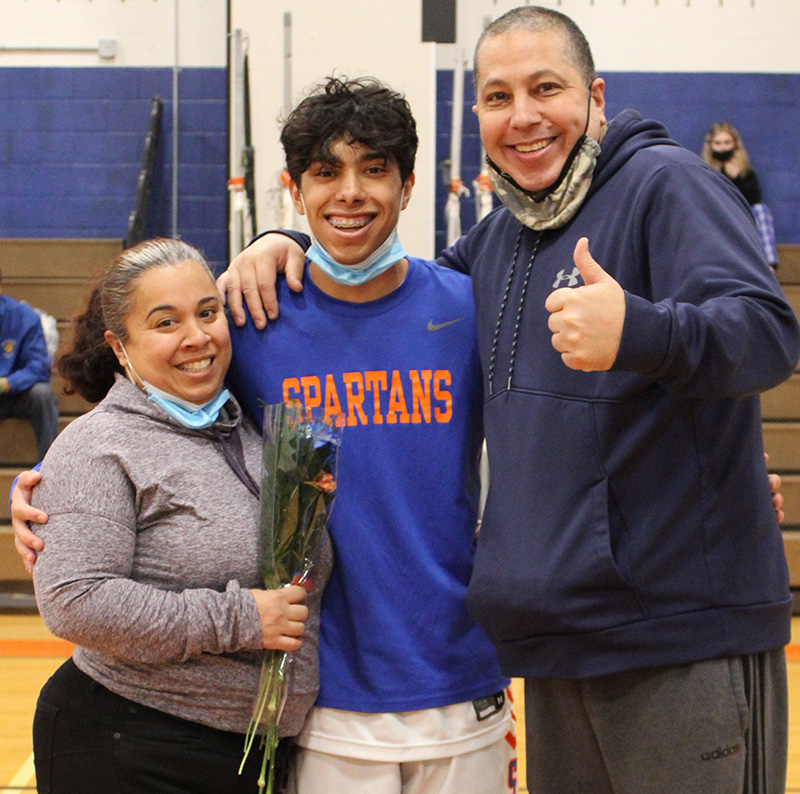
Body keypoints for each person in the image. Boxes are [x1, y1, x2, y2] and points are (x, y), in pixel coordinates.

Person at [215, 8, 800, 794]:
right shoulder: (499, 243)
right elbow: (387, 291)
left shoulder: (669, 185)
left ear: (594, 97)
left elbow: (767, 333)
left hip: (677, 635)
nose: (522, 116)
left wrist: (642, 331)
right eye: (497, 96)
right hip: (559, 646)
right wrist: (279, 243)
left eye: (545, 88)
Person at [13, 80, 515, 794]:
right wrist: (40, 491)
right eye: (326, 171)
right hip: (319, 698)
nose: (351, 192)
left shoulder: (468, 310)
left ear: (408, 187)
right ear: (293, 188)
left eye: (375, 168)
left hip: (461, 680)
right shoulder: (246, 321)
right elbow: (138, 419)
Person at [27, 238, 330, 794]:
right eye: (166, 323)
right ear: (120, 347)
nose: (198, 337)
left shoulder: (252, 430)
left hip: (248, 752)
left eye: (208, 312)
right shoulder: (98, 446)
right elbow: (75, 604)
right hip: (128, 743)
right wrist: (241, 619)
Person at [0, 266, 60, 459]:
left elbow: (39, 367)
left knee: (42, 393)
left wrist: (8, 383)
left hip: (17, 394)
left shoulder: (25, 317)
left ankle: (51, 465)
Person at [702, 121, 778, 269]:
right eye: (718, 143)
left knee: (761, 211)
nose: (723, 147)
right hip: (717, 215)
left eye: (726, 143)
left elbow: (754, 199)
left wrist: (737, 178)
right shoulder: (704, 170)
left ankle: (769, 265)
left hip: (742, 216)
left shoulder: (744, 171)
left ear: (735, 144)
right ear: (710, 145)